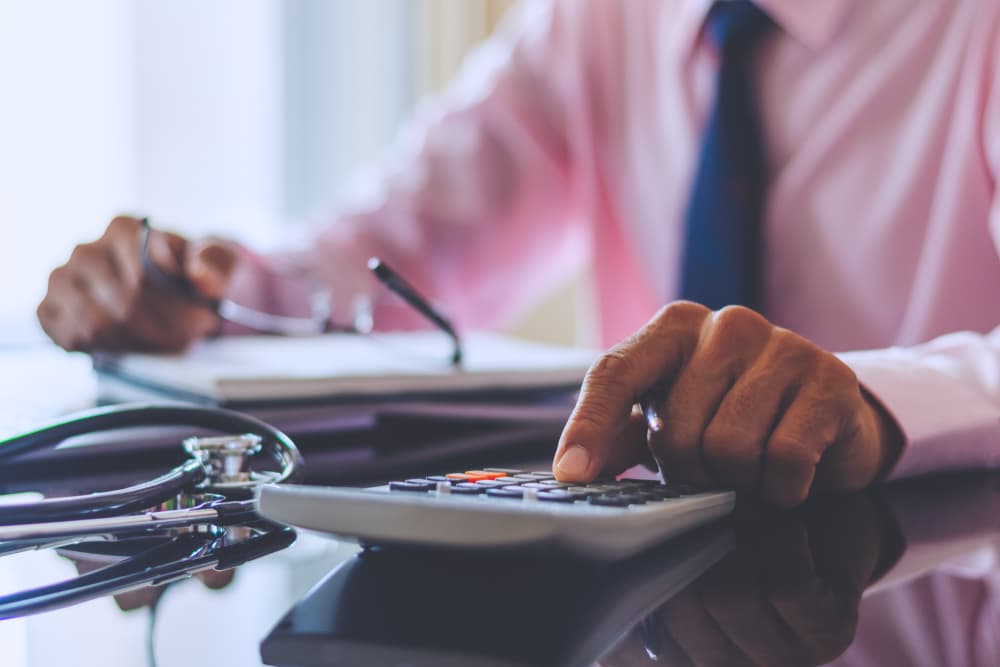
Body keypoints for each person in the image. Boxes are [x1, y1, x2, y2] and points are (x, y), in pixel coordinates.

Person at [37, 1, 1000, 505]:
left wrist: (874, 403)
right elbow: (385, 256)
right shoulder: (600, 16)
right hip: (654, 589)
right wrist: (202, 290)